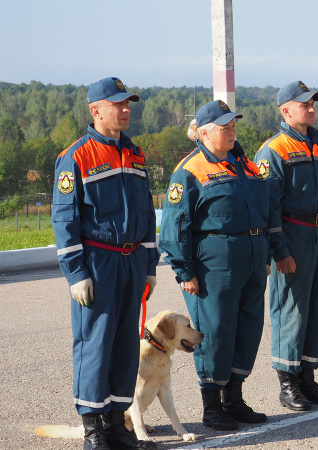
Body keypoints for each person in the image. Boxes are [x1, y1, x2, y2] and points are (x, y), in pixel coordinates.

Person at [52, 76, 158, 449]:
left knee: (125, 344)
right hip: (98, 262)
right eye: (118, 104)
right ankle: (94, 430)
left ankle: (116, 424)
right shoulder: (76, 156)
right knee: (94, 345)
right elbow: (65, 219)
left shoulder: (136, 153)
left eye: (128, 103)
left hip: (131, 261)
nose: (126, 110)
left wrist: (149, 263)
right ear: (96, 110)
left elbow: (146, 211)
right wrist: (76, 273)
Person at [159, 100, 270, 431]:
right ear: (204, 132)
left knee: (247, 329)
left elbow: (263, 211)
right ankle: (212, 406)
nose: (232, 131)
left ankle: (233, 400)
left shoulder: (244, 164)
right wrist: (185, 271)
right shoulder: (190, 170)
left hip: (251, 256)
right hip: (214, 261)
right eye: (225, 127)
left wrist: (263, 256)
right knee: (216, 332)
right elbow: (175, 226)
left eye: (234, 125)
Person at [255, 80, 318, 411]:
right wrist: (280, 251)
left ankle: (307, 378)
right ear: (286, 110)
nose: (312, 107)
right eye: (305, 103)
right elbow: (269, 208)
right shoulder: (273, 150)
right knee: (291, 309)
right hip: (293, 236)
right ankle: (287, 382)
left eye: (313, 102)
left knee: (317, 309)